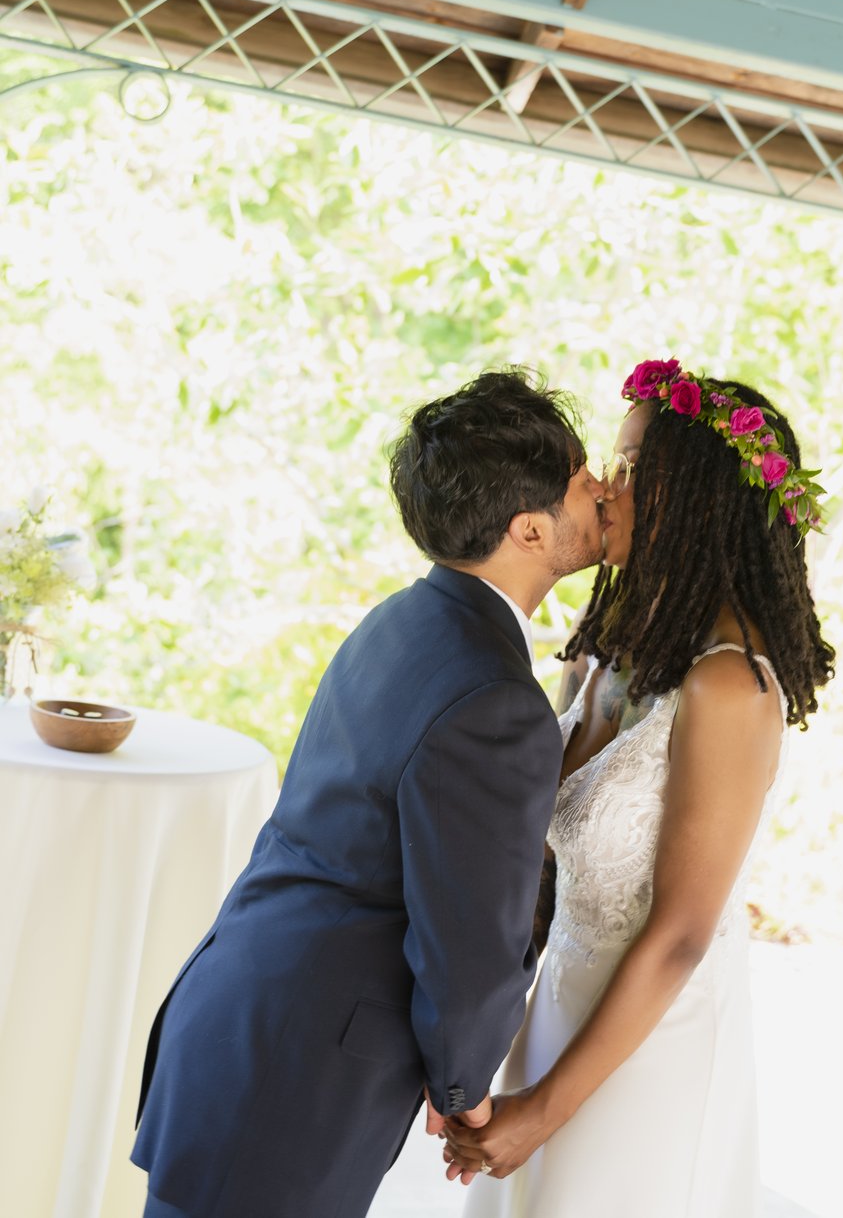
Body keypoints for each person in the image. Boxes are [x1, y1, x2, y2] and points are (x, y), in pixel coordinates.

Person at [131, 368, 605, 1218]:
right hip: (295, 1071)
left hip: (242, 1020)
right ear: (529, 529)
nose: (601, 492)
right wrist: (468, 1090)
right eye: (581, 482)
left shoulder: (405, 617)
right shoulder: (495, 698)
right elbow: (467, 935)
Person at [446, 356, 835, 1217]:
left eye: (628, 468)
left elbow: (681, 936)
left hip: (652, 1054)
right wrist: (473, 1042)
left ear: (695, 501)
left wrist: (542, 1115)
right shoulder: (614, 644)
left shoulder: (730, 687)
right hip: (555, 1013)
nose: (600, 487)